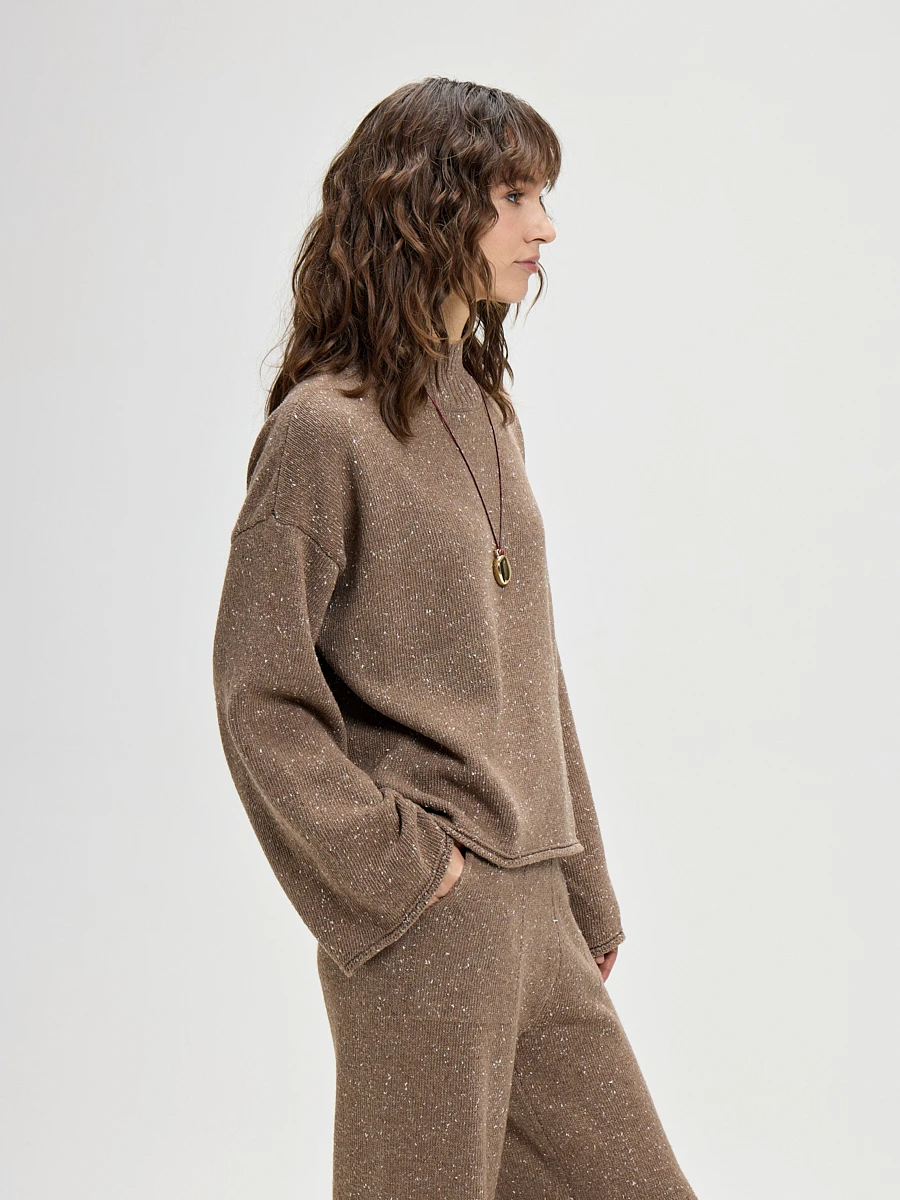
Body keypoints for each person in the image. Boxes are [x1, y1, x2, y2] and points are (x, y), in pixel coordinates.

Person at [212, 76, 698, 1200]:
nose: (545, 227)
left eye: (543, 196)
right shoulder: (321, 431)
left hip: (538, 904)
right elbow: (258, 690)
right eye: (515, 196)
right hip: (428, 915)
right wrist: (399, 873)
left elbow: (531, 664)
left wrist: (584, 886)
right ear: (427, 208)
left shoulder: (482, 410)